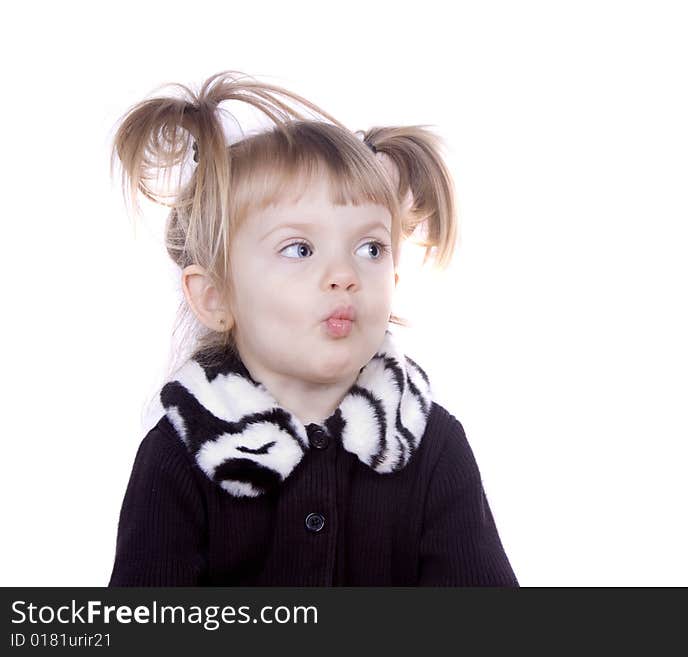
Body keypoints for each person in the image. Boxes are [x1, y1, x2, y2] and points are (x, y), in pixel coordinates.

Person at [107, 71, 518, 586]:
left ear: (394, 277)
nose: (344, 275)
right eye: (299, 249)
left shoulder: (432, 446)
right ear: (215, 296)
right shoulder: (179, 457)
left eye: (370, 248)